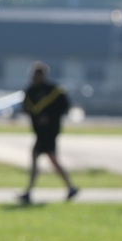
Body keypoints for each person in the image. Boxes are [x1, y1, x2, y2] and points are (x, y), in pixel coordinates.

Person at [18, 61, 79, 205]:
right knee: (41, 159)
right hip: (39, 133)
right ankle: (69, 187)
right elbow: (26, 107)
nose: (34, 77)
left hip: (50, 131)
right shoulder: (30, 91)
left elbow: (64, 107)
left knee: (51, 159)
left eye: (37, 75)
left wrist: (49, 117)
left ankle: (69, 187)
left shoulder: (54, 90)